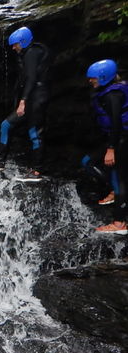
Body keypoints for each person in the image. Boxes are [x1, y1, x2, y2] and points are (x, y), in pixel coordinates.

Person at [0, 26, 51, 182]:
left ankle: (36, 171)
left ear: (23, 41)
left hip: (36, 99)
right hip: (34, 98)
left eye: (15, 44)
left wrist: (23, 101)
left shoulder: (32, 53)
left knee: (35, 133)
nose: (13, 48)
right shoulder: (31, 53)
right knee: (7, 125)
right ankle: (0, 161)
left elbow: (32, 78)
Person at [84, 59, 128, 234]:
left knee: (119, 178)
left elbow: (116, 123)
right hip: (115, 138)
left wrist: (111, 149)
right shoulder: (106, 92)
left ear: (103, 77)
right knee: (88, 162)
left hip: (121, 139)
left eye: (92, 78)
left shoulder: (113, 96)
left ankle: (120, 223)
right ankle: (113, 191)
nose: (90, 81)